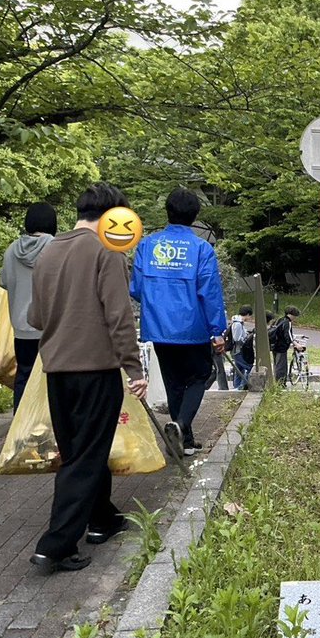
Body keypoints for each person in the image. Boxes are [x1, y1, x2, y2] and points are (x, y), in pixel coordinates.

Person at [27, 182, 148, 573]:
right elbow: (119, 316)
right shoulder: (105, 251)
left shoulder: (49, 251)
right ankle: (56, 544)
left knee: (81, 450)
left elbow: (35, 317)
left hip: (57, 370)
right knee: (83, 458)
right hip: (95, 370)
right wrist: (134, 368)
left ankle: (102, 519)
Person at [130, 188, 227, 457]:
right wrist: (217, 331)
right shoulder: (201, 249)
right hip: (193, 328)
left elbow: (136, 289)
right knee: (201, 375)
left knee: (174, 382)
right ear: (195, 216)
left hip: (159, 328)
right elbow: (209, 292)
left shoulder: (147, 245)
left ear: (167, 212)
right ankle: (181, 425)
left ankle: (183, 440)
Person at [0, 202, 57, 411]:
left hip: (21, 329)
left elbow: (4, 282)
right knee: (52, 382)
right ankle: (48, 429)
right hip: (51, 329)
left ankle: (20, 426)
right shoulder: (56, 248)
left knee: (23, 377)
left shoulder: (12, 250)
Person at [271, 306, 300, 383]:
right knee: (281, 366)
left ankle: (276, 381)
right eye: (295, 316)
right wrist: (295, 344)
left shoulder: (279, 320)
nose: (295, 318)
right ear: (290, 315)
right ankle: (281, 383)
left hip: (274, 345)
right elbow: (288, 335)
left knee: (276, 365)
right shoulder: (287, 322)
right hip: (281, 347)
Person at [229, 305, 254, 390]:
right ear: (247, 314)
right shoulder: (238, 324)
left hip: (237, 350)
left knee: (239, 370)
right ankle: (241, 387)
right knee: (249, 368)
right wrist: (245, 339)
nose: (250, 317)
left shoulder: (237, 322)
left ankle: (237, 387)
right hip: (238, 350)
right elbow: (237, 338)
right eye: (250, 315)